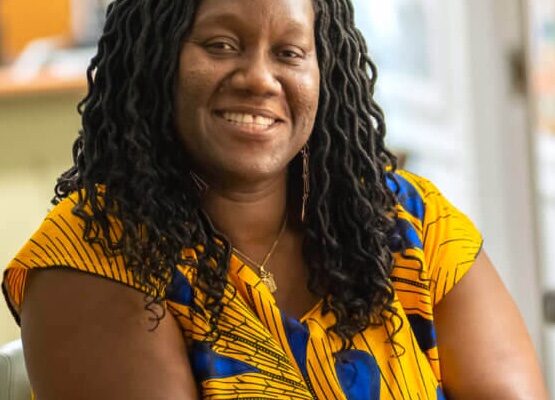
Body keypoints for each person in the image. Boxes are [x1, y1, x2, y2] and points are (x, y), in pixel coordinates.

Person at [2, 0, 548, 398]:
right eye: (221, 45)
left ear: (322, 71)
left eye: (289, 52)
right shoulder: (92, 256)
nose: (260, 78)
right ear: (154, 62)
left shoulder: (408, 220)